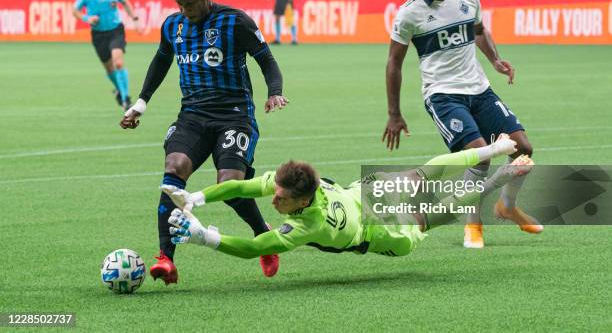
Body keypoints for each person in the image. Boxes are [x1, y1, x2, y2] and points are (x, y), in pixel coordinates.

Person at [120, 0, 289, 283]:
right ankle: (166, 259)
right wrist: (140, 103)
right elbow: (161, 61)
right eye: (178, 2)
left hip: (234, 114)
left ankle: (263, 237)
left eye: (189, 2)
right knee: (175, 167)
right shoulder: (173, 25)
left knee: (228, 183)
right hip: (193, 115)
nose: (183, 9)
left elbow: (266, 59)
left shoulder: (234, 21)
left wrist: (275, 93)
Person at [382, 0, 542, 249]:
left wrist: (494, 59)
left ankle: (506, 207)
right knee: (480, 156)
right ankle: (473, 225)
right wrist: (394, 113)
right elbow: (394, 63)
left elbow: (479, 30)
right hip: (443, 95)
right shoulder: (409, 13)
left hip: (479, 89)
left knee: (523, 147)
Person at [160, 135, 533, 261]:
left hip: (388, 229)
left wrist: (203, 237)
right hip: (368, 209)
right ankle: (499, 159)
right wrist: (196, 196)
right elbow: (241, 187)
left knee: (439, 199)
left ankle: (500, 169)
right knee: (434, 190)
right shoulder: (294, 184)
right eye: (275, 194)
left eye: (281, 200)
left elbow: (255, 248)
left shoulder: (310, 224)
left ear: (302, 200)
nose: (273, 201)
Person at [73, 0, 139, 110]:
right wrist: (87, 18)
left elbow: (125, 2)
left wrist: (135, 18)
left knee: (119, 63)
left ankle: (126, 99)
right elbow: (75, 10)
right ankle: (120, 91)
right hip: (98, 35)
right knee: (109, 69)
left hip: (116, 31)